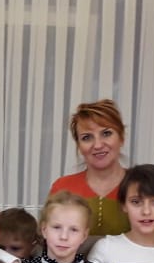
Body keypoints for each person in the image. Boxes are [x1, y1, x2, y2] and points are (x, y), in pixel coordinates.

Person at [49, 100, 132, 244]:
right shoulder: (63, 187)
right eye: (87, 137)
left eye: (106, 133)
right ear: (79, 145)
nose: (98, 145)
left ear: (121, 137)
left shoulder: (141, 186)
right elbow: (49, 244)